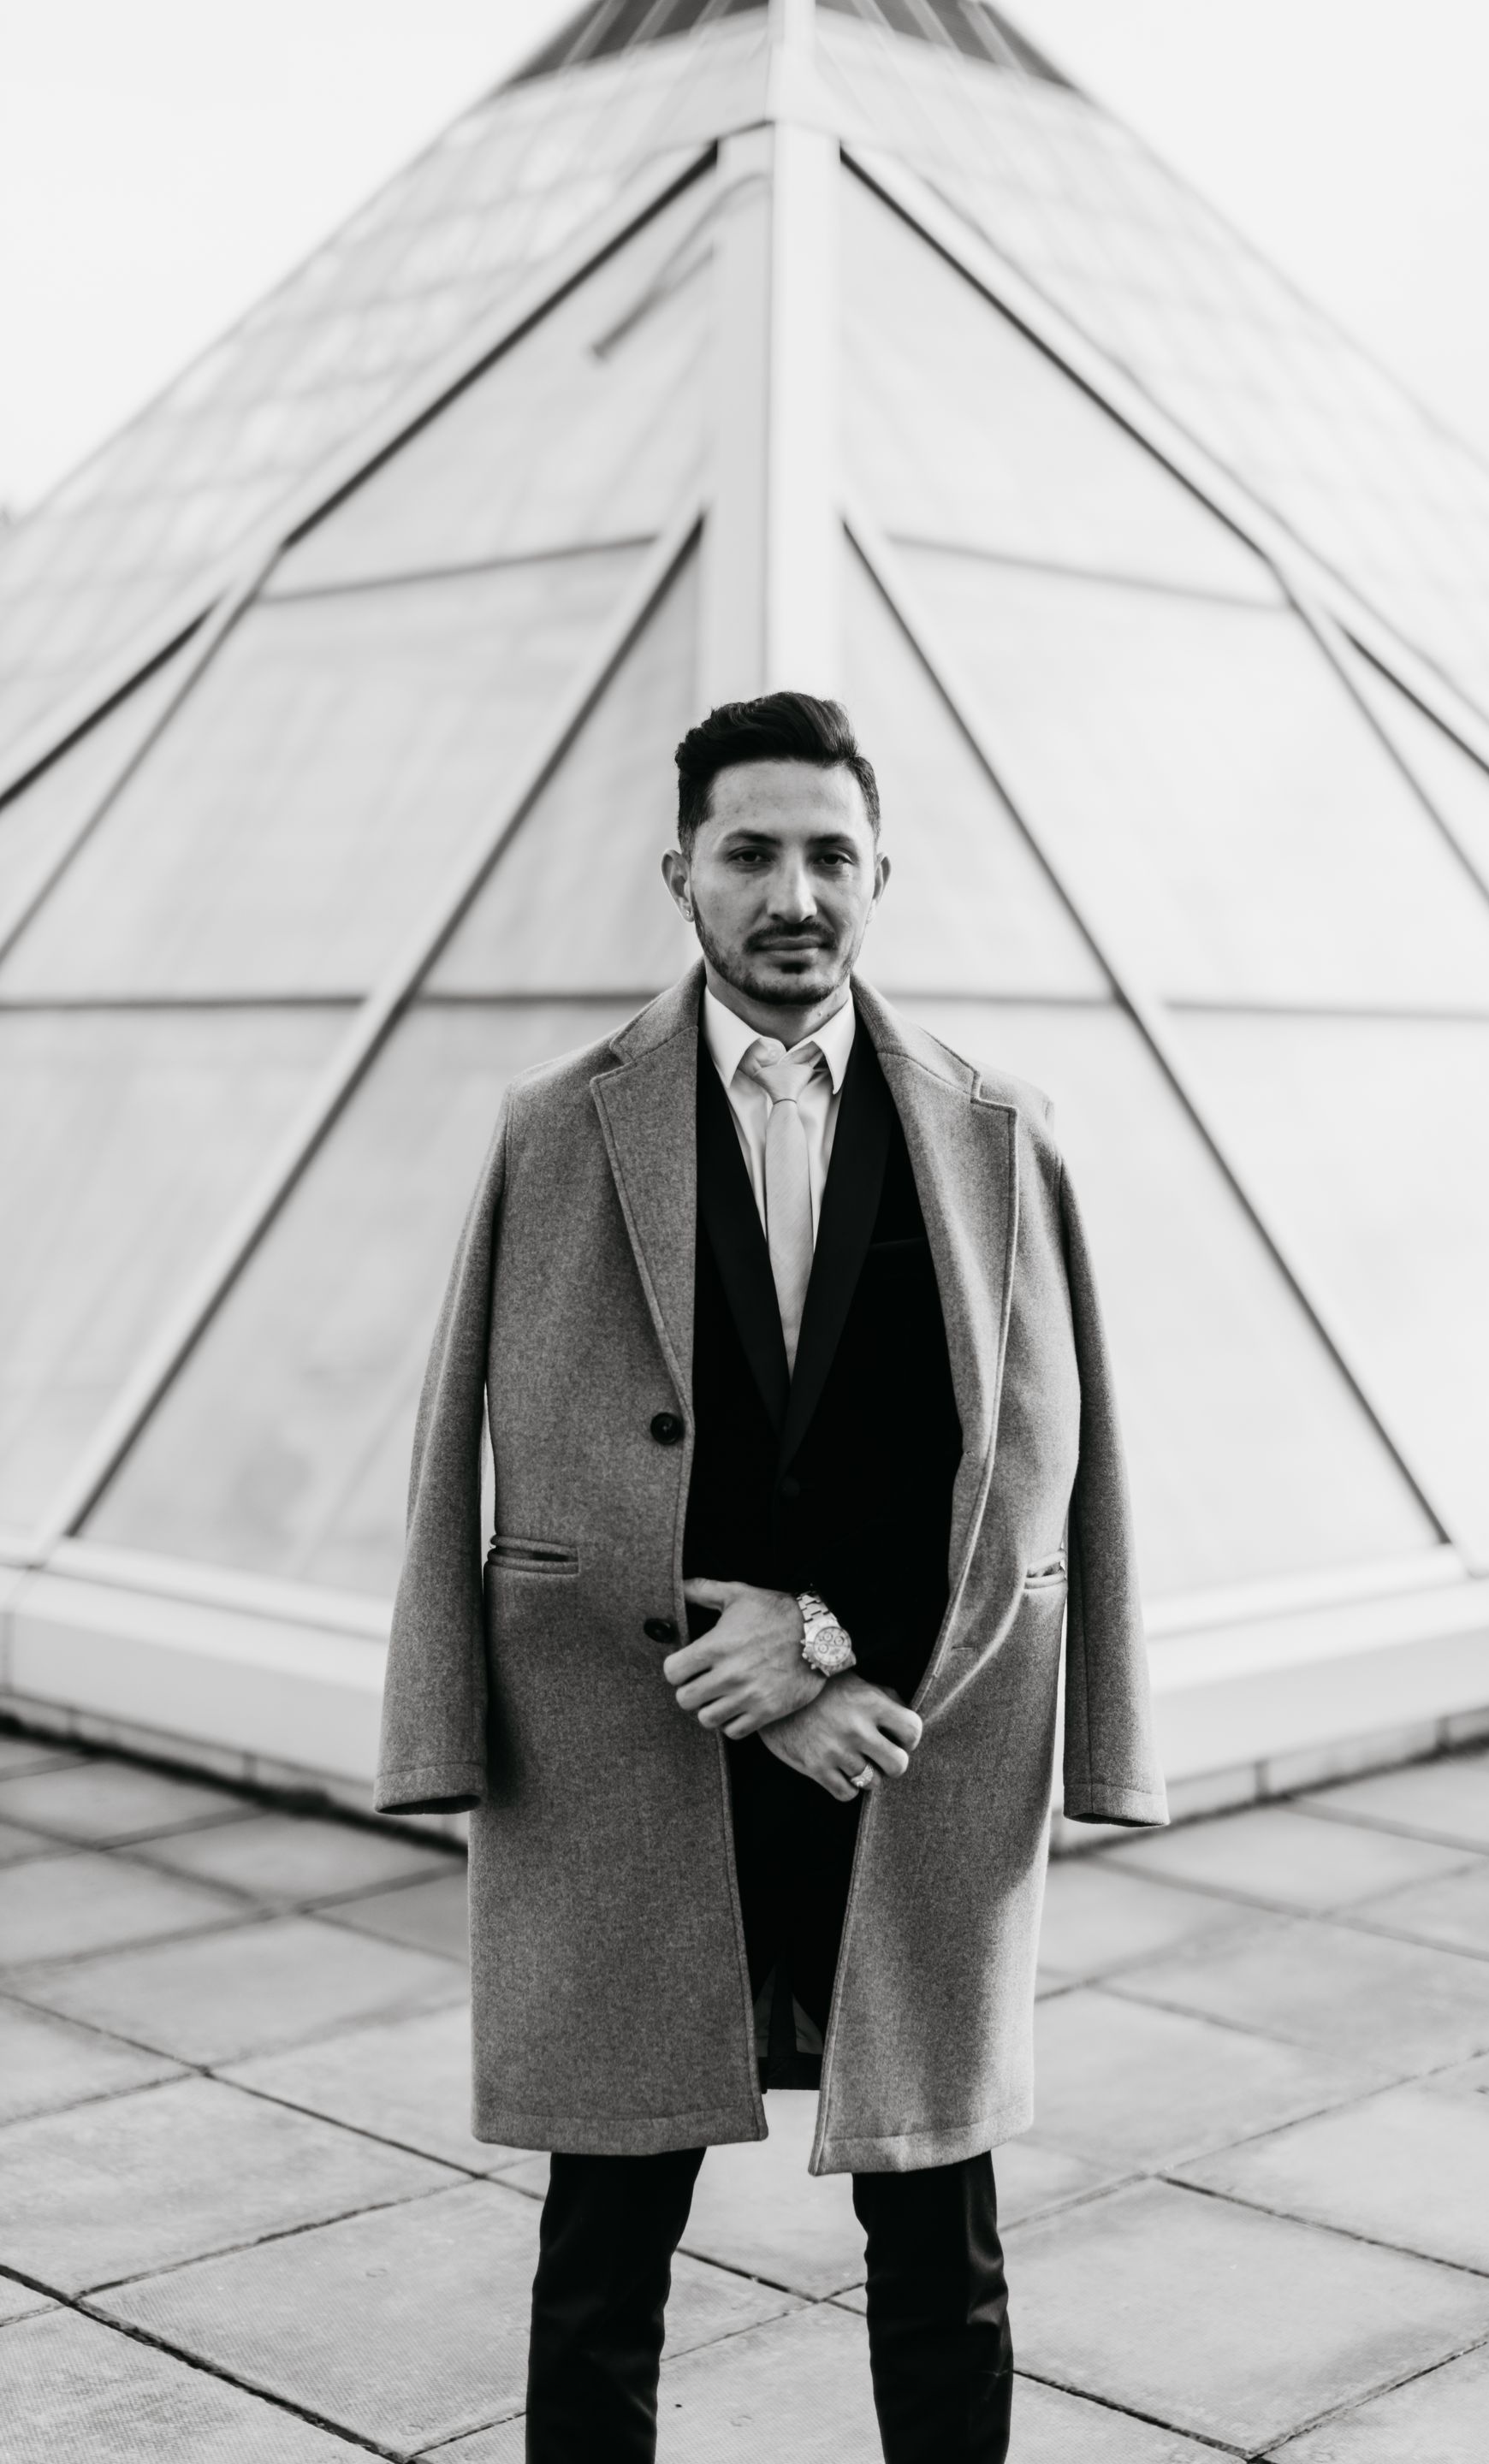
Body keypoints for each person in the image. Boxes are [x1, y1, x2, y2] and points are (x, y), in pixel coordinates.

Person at [375, 691, 1166, 2462]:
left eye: (828, 853)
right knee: (605, 2235)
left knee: (938, 2230)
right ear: (683, 873)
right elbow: (483, 1457)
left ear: (881, 873)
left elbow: (1038, 1459)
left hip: (911, 1745)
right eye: (750, 854)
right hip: (630, 1740)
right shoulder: (553, 1127)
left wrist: (826, 1657)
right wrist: (455, 1718)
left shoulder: (997, 1129)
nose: (791, 891)